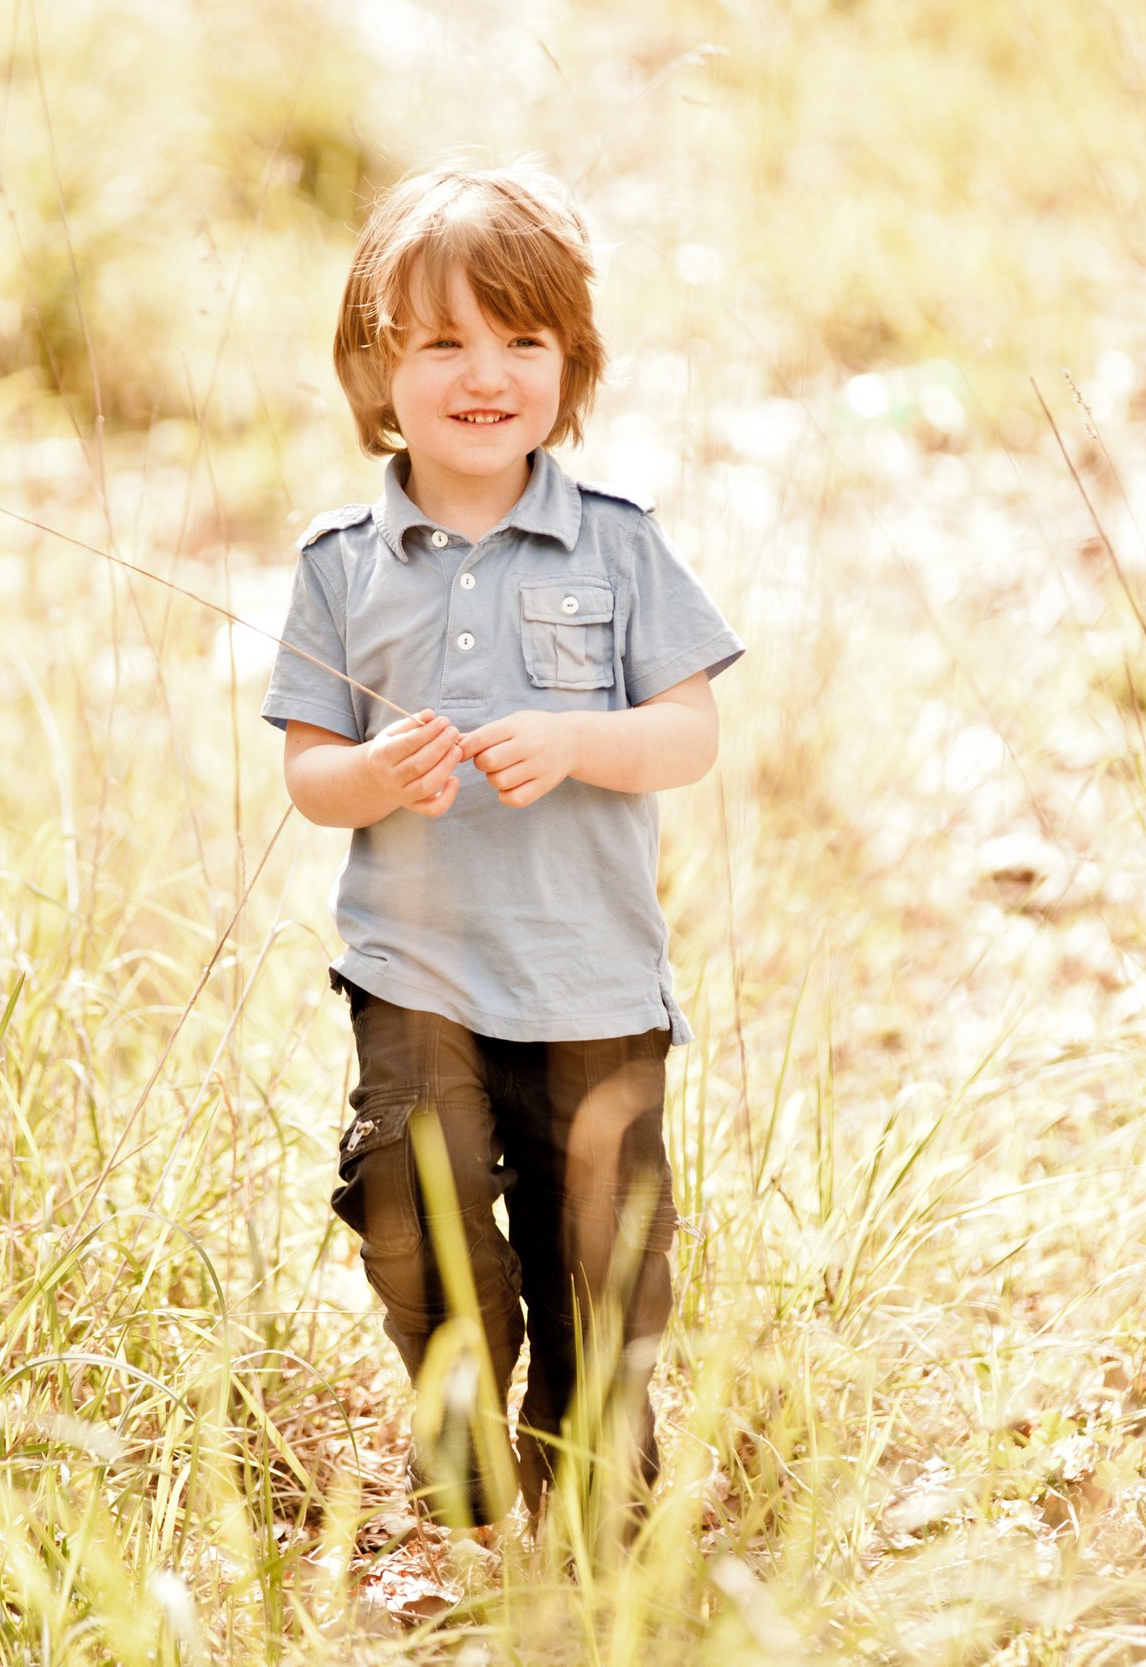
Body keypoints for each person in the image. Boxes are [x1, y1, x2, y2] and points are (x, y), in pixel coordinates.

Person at [261, 165, 743, 1531]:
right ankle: (459, 1419)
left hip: (593, 986)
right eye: (445, 341)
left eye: (523, 341)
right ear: (375, 370)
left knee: (608, 1265)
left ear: (570, 366)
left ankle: (588, 1477)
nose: (488, 374)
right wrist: (372, 771)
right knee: (416, 1205)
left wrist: (581, 742)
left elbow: (689, 732)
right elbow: (309, 774)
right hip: (420, 974)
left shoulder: (616, 547)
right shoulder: (340, 565)